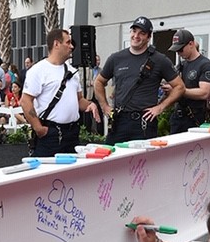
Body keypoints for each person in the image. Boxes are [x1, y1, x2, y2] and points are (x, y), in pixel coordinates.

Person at [93, 17, 183, 142]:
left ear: (148, 37)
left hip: (145, 122)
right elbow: (98, 82)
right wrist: (105, 107)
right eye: (134, 31)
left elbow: (179, 87)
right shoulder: (116, 58)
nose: (136, 36)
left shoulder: (159, 60)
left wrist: (161, 107)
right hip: (119, 121)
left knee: (144, 161)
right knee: (113, 159)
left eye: (142, 33)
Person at [21, 28, 99, 156]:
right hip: (50, 134)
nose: (72, 46)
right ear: (56, 44)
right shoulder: (38, 70)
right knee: (46, 173)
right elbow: (25, 101)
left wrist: (90, 105)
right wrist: (39, 128)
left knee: (72, 174)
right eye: (68, 43)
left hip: (72, 133)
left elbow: (79, 100)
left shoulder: (72, 71)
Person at [166, 28, 210, 133]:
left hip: (193, 117)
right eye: (176, 51)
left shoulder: (205, 64)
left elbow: (204, 93)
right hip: (178, 116)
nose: (178, 53)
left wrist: (179, 90)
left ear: (191, 44)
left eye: (180, 49)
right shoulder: (182, 64)